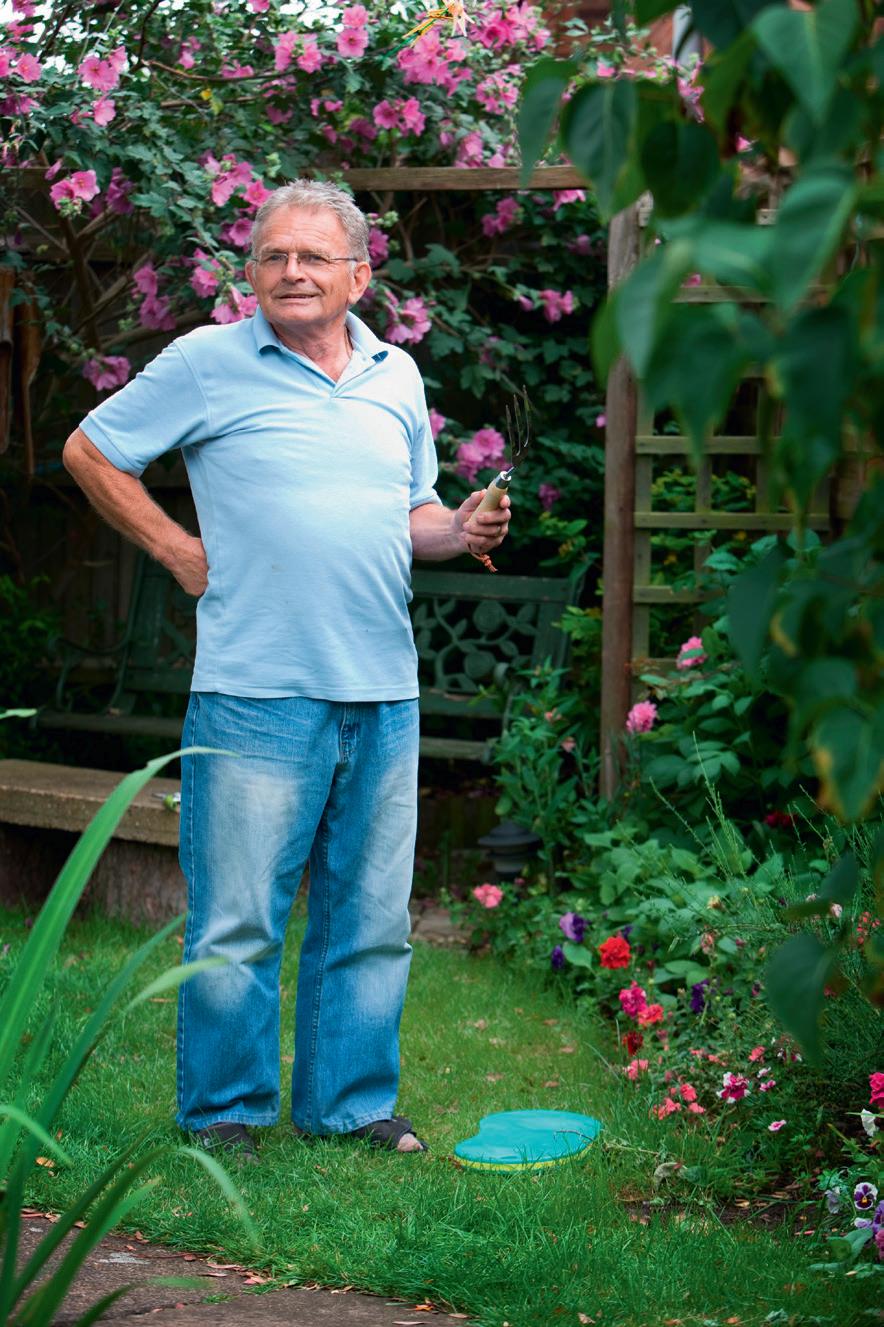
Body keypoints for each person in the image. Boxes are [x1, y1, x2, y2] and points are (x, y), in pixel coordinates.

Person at [63, 179, 510, 1159]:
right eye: (274, 255)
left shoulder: (396, 374)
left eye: (313, 256)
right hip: (254, 693)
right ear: (253, 272)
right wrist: (176, 549)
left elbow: (414, 517)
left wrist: (462, 527)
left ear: (359, 275)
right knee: (236, 920)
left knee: (371, 917)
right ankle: (224, 1113)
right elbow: (91, 451)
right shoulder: (208, 362)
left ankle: (348, 1106)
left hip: (382, 691)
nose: (292, 271)